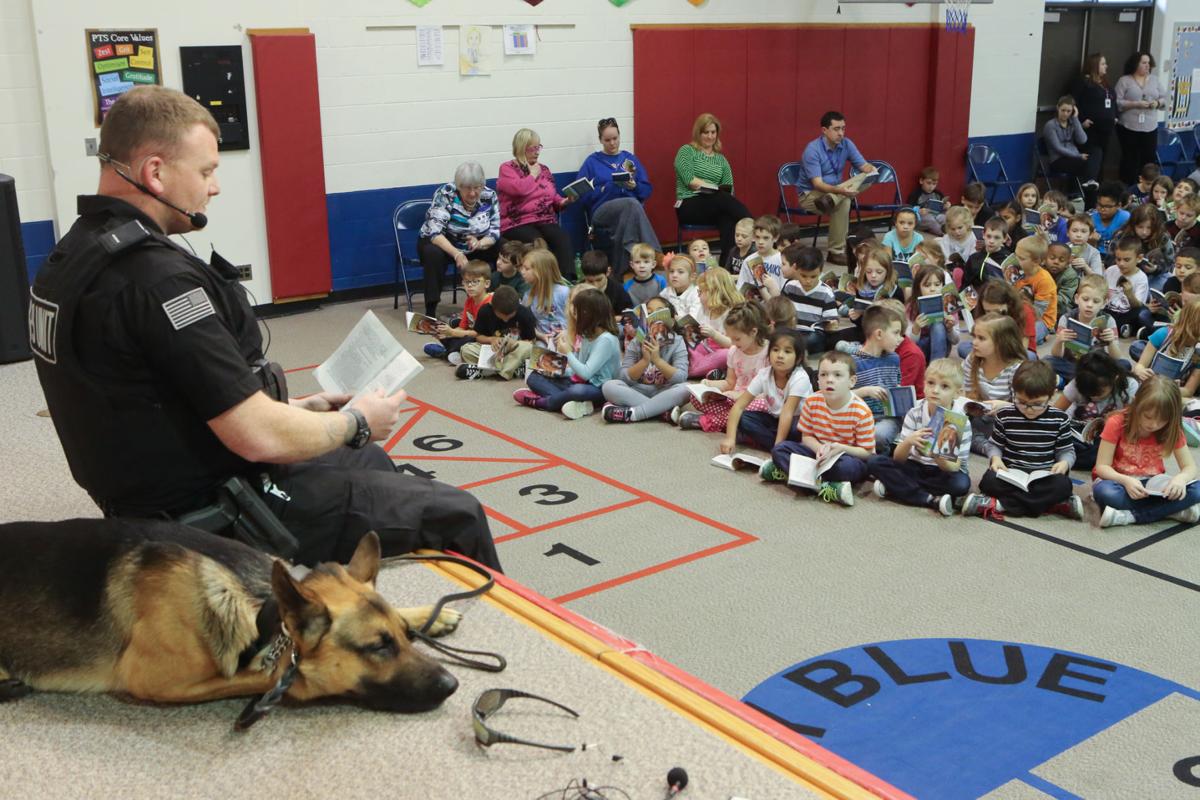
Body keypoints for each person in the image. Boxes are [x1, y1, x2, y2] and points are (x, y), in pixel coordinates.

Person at [29, 86, 501, 571]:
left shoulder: (72, 256)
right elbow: (256, 436)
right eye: (206, 171)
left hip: (146, 487)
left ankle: (348, 618)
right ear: (155, 172)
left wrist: (307, 408)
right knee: (458, 513)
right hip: (208, 510)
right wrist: (357, 421)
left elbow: (157, 400)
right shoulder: (158, 282)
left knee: (370, 462)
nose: (213, 187)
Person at [963, 360, 1081, 521]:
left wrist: (1064, 463)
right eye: (1022, 402)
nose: (1028, 409)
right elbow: (994, 445)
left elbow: (1066, 451)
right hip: (1011, 473)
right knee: (988, 481)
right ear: (1015, 392)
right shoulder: (1005, 415)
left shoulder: (1059, 419)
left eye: (1037, 404)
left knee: (1063, 485)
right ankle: (1053, 505)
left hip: (1044, 476)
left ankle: (1000, 505)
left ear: (1052, 394)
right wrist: (995, 458)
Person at [761, 351, 873, 508]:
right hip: (817, 453)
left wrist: (840, 448)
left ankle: (793, 476)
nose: (830, 380)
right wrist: (820, 448)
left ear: (851, 381)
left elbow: (867, 453)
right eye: (824, 375)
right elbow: (806, 436)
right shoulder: (812, 401)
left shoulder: (861, 411)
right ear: (818, 380)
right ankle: (826, 487)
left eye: (838, 375)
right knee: (780, 449)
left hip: (845, 457)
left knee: (847, 468)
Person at [868, 358, 972, 516]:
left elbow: (956, 467)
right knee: (874, 461)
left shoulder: (959, 420)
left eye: (944, 386)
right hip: (914, 465)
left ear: (957, 393)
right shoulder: (915, 412)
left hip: (942, 472)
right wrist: (909, 442)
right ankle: (928, 499)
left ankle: (898, 487)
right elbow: (898, 459)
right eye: (931, 383)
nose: (935, 390)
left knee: (961, 484)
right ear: (924, 384)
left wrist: (936, 455)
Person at [1094, 377, 1200, 528]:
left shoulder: (1171, 428)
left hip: (1153, 484)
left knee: (1197, 490)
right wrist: (1126, 480)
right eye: (1148, 417)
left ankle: (1130, 516)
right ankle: (1171, 511)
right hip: (1119, 483)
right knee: (1106, 493)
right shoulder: (1117, 422)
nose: (1153, 424)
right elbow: (1102, 467)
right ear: (1136, 404)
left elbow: (1190, 467)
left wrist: (1181, 479)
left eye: (1162, 420)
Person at [513, 287, 620, 419]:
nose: (573, 315)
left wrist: (567, 353)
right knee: (534, 377)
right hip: (579, 381)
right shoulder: (587, 334)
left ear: (588, 315)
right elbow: (577, 371)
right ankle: (574, 403)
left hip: (598, 388)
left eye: (577, 312)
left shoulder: (606, 340)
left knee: (577, 391)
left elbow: (586, 373)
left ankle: (547, 403)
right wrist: (556, 369)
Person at [417, 160, 501, 319]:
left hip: (474, 243)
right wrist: (457, 254)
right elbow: (434, 233)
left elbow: (495, 231)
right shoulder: (446, 194)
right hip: (444, 242)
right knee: (432, 254)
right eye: (467, 188)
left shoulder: (489, 196)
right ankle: (431, 310)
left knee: (503, 248)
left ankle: (494, 302)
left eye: (477, 188)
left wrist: (480, 243)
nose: (472, 193)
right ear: (459, 186)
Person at [575, 117, 660, 274]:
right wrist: (604, 189)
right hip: (602, 212)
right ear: (600, 140)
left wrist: (634, 186)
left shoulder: (629, 159)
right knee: (631, 204)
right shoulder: (592, 162)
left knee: (629, 213)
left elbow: (647, 191)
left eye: (615, 138)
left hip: (628, 212)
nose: (612, 143)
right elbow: (580, 196)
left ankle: (621, 272)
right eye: (607, 140)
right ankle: (655, 252)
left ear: (620, 136)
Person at [795, 111, 878, 265]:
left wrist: (870, 169)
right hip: (811, 195)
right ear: (824, 131)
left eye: (843, 129)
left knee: (864, 179)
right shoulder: (812, 150)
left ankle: (832, 200)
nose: (841, 133)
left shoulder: (847, 144)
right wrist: (840, 191)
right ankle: (835, 252)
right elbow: (817, 184)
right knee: (845, 201)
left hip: (835, 192)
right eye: (836, 129)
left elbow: (863, 165)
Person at [673, 114, 752, 269]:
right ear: (698, 133)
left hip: (714, 205)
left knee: (728, 218)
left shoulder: (721, 160)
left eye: (713, 132)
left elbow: (729, 188)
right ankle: (755, 227)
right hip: (689, 204)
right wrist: (714, 188)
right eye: (706, 132)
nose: (710, 136)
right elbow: (690, 181)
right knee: (721, 197)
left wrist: (717, 191)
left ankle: (726, 267)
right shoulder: (687, 151)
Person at [497, 128, 576, 279]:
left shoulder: (544, 170)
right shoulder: (507, 169)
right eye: (533, 148)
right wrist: (533, 174)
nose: (537, 152)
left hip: (544, 219)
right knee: (538, 242)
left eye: (539, 147)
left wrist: (565, 201)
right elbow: (519, 190)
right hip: (517, 223)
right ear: (521, 148)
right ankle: (542, 283)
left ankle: (566, 281)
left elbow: (553, 197)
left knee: (561, 237)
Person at [676, 302, 768, 432]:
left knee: (756, 406)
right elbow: (730, 383)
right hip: (733, 399)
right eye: (730, 338)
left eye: (737, 339)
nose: (733, 343)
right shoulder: (734, 352)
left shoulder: (769, 353)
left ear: (753, 332)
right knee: (695, 398)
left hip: (757, 402)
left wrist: (741, 396)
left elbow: (772, 393)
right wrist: (709, 385)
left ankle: (708, 421)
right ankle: (730, 420)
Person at [600, 297, 692, 424]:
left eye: (659, 312)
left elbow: (681, 377)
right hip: (638, 389)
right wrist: (645, 360)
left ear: (670, 320)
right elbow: (623, 377)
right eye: (649, 312)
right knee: (609, 386)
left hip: (665, 390)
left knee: (686, 388)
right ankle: (662, 412)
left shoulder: (677, 341)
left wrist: (657, 360)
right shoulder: (637, 341)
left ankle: (634, 414)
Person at [455, 285, 536, 382]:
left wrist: (514, 344)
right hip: (493, 352)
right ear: (493, 307)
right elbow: (478, 337)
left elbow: (531, 341)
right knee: (466, 349)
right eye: (502, 316)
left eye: (510, 316)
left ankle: (485, 371)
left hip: (514, 352)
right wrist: (491, 339)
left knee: (528, 348)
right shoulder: (485, 311)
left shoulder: (524, 313)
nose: (506, 319)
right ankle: (513, 370)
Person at [1114, 51, 1169, 185]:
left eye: (1149, 63)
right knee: (1130, 158)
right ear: (1135, 64)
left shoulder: (1154, 80)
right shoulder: (1124, 80)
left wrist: (1157, 103)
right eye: (1143, 63)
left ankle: (1147, 186)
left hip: (1150, 126)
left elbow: (1165, 98)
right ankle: (1127, 187)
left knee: (1149, 158)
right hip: (1129, 126)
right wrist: (1135, 104)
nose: (1147, 66)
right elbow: (1117, 102)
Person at [423, 260, 492, 362]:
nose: (470, 286)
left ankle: (444, 353)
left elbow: (478, 334)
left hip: (483, 339)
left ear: (486, 284)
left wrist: (452, 332)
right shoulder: (469, 301)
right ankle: (452, 352)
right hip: (470, 334)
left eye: (475, 281)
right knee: (452, 328)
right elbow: (462, 327)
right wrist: (447, 334)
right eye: (466, 282)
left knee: (469, 339)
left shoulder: (489, 304)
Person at [1070, 53, 1117, 181]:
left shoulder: (1105, 83)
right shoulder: (1083, 82)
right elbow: (1073, 102)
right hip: (1089, 129)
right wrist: (1080, 121)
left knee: (1101, 159)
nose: (1106, 66)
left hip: (1106, 129)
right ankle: (1085, 186)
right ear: (1094, 65)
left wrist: (1115, 116)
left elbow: (1113, 101)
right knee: (1091, 159)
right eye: (1102, 64)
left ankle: (1097, 186)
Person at [1041, 95, 1102, 192]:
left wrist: (1075, 119)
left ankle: (1089, 183)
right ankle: (1087, 186)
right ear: (1058, 108)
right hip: (1058, 160)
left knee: (1096, 152)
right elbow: (1058, 148)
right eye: (1063, 110)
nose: (1065, 114)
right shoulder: (1051, 125)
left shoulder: (1072, 122)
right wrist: (1078, 156)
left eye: (1068, 111)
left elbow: (1082, 140)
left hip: (1073, 157)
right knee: (1087, 165)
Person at [579, 250, 634, 314]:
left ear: (608, 272)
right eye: (590, 281)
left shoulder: (617, 290)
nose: (595, 285)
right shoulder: (579, 291)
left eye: (599, 280)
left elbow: (628, 314)